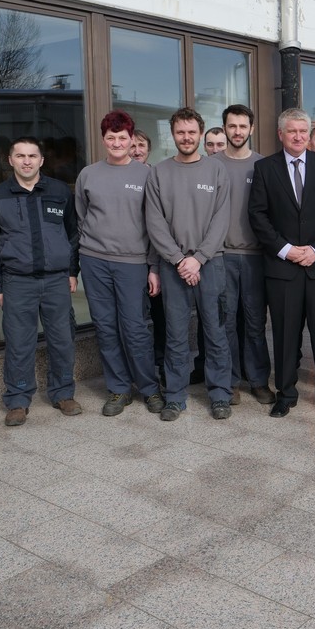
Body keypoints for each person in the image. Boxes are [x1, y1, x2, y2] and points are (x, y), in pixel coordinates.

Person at [248, 108, 315, 418]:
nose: (299, 136)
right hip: (283, 268)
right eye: (292, 131)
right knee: (285, 334)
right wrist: (286, 249)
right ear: (281, 134)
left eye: (303, 131)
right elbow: (258, 215)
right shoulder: (265, 168)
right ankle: (286, 393)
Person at [0, 137, 81, 427]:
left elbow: (73, 235)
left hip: (56, 280)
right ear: (10, 160)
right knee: (18, 343)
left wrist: (72, 271)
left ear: (41, 160)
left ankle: (63, 393)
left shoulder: (60, 191)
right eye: (21, 156)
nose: (27, 161)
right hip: (17, 281)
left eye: (32, 156)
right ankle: (18, 400)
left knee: (62, 339)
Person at [145, 108, 233, 421]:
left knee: (216, 331)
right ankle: (175, 396)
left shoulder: (216, 170)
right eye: (180, 132)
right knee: (176, 334)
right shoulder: (159, 172)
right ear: (173, 135)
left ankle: (220, 394)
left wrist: (198, 258)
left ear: (200, 133)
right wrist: (180, 260)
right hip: (173, 266)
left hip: (211, 264)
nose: (186, 137)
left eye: (191, 132)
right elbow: (155, 223)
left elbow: (221, 219)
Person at [75, 110, 164, 417]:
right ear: (103, 139)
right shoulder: (88, 174)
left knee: (135, 327)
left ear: (131, 139)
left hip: (133, 263)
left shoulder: (146, 176)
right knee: (105, 326)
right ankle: (119, 389)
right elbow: (82, 217)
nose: (116, 143)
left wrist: (153, 267)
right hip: (95, 261)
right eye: (111, 138)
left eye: (122, 138)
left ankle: (149, 388)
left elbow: (156, 225)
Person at [217, 104, 273, 405]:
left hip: (255, 257)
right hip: (221, 256)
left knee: (254, 322)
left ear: (251, 129)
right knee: (225, 322)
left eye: (242, 126)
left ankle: (259, 380)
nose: (237, 131)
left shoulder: (263, 165)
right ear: (224, 128)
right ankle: (230, 381)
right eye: (232, 126)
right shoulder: (212, 165)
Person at [129, 129, 167, 384]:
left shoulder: (159, 176)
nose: (136, 150)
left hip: (159, 258)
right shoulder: (118, 177)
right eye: (132, 146)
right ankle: (137, 369)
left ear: (149, 149)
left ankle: (162, 366)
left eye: (140, 145)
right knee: (134, 318)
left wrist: (156, 264)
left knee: (161, 316)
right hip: (129, 259)